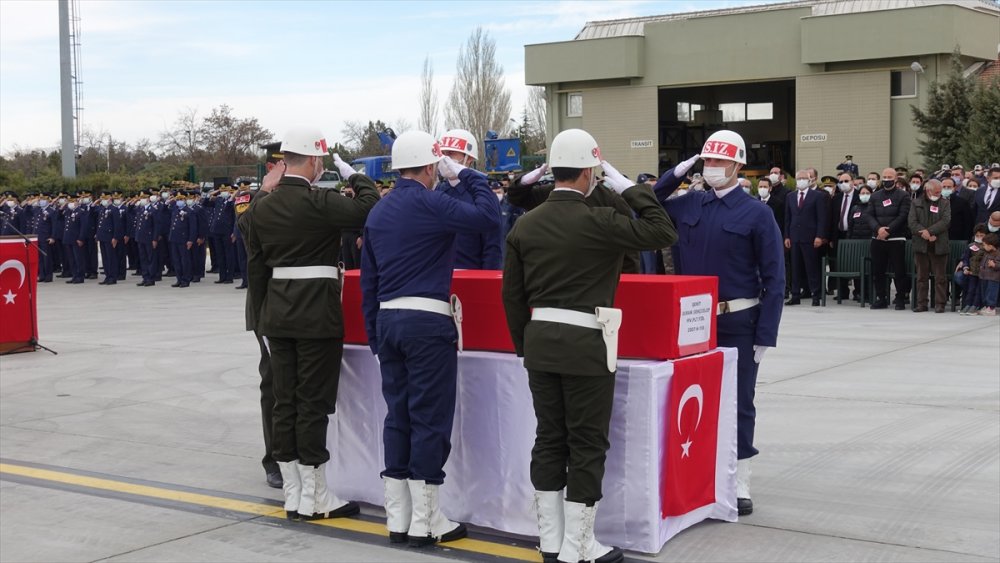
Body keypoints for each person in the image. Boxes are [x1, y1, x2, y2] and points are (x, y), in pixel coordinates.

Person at [502, 129, 676, 563]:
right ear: (588, 173)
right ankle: (579, 545)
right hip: (586, 344)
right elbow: (662, 232)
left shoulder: (526, 223)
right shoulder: (599, 221)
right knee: (586, 442)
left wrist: (525, 345)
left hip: (540, 343)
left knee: (549, 439)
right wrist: (629, 188)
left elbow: (512, 295)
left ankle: (551, 541)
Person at [360, 130, 499, 547]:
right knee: (429, 419)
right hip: (427, 323)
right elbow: (488, 216)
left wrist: (375, 336)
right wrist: (465, 175)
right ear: (429, 166)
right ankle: (427, 519)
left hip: (388, 322)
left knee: (397, 416)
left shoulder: (379, 211)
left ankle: (398, 518)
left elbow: (369, 283)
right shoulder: (431, 202)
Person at [246, 127, 377, 521]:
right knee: (313, 403)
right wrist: (354, 175)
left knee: (285, 401)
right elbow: (368, 207)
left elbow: (253, 253)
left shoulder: (262, 207)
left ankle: (294, 493)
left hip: (277, 313)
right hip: (316, 314)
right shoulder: (320, 201)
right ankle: (316, 495)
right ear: (316, 162)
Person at [651, 130, 784, 517]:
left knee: (740, 401)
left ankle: (740, 478)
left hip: (739, 320)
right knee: (692, 397)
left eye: (720, 161)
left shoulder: (757, 214)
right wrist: (678, 172)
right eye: (707, 161)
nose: (712, 168)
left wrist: (766, 333)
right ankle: (697, 470)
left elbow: (775, 277)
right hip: (693, 321)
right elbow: (649, 202)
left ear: (738, 166)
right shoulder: (691, 203)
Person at [239, 140, 284, 489]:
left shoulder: (306, 198)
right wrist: (264, 192)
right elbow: (246, 231)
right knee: (274, 383)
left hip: (303, 304)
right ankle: (274, 458)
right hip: (267, 304)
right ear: (271, 167)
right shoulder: (251, 201)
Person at [507, 163, 643, 274]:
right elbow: (516, 197)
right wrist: (525, 181)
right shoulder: (551, 193)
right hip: (556, 275)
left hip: (599, 279)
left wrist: (625, 282)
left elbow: (629, 251)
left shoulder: (609, 199)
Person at [437, 129, 503, 269]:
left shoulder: (482, 196)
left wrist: (487, 279)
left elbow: (492, 248)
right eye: (443, 153)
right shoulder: (436, 192)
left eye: (451, 153)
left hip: (471, 275)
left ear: (469, 159)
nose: (445, 159)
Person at [864, 167, 910, 310]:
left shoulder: (903, 196)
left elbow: (903, 216)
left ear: (896, 179)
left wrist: (888, 230)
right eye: (885, 177)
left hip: (896, 239)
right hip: (878, 238)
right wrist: (878, 229)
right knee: (878, 271)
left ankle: (900, 298)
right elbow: (868, 215)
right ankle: (881, 298)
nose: (887, 180)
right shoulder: (875, 196)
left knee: (899, 271)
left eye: (890, 177)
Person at [784, 169, 828, 306]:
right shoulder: (790, 196)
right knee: (795, 268)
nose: (801, 181)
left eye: (804, 178)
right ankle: (795, 295)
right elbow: (788, 218)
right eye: (799, 178)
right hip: (794, 237)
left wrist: (819, 236)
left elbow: (821, 218)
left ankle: (816, 295)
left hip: (810, 237)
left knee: (812, 267)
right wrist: (787, 236)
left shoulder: (817, 196)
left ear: (809, 180)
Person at [908, 179, 951, 313]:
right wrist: (924, 233)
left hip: (939, 243)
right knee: (922, 277)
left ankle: (940, 303)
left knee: (940, 277)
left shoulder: (945, 203)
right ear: (928, 190)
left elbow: (945, 221)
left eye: (940, 192)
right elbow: (912, 222)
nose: (939, 194)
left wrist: (930, 232)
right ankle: (922, 303)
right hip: (921, 244)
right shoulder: (916, 203)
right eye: (936, 192)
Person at [829, 172, 861, 300]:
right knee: (840, 263)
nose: (843, 184)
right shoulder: (836, 198)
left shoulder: (859, 196)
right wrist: (831, 238)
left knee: (856, 262)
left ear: (853, 182)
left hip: (854, 234)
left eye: (846, 181)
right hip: (839, 235)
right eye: (841, 182)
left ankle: (858, 291)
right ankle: (842, 291)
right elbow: (832, 219)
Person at [955, 224, 988, 315]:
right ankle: (968, 305)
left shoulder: (987, 247)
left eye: (982, 235)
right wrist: (965, 267)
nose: (979, 237)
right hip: (971, 272)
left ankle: (975, 306)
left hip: (982, 273)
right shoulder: (971, 246)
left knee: (978, 290)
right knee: (970, 289)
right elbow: (966, 258)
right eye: (977, 235)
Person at [167, 192, 196, 288]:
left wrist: (190, 240)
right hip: (174, 238)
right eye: (178, 200)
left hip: (184, 239)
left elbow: (193, 227)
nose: (179, 201)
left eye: (181, 200)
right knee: (176, 260)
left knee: (185, 260)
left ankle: (185, 279)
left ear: (185, 200)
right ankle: (179, 279)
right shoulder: (175, 210)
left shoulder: (189, 211)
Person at [94, 193, 124, 285]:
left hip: (110, 237)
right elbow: (100, 223)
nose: (103, 201)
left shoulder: (114, 209)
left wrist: (115, 237)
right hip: (102, 237)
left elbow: (117, 225)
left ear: (109, 199)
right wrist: (98, 235)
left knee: (111, 258)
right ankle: (107, 276)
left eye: (105, 199)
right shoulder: (103, 209)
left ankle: (112, 277)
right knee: (105, 258)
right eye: (102, 199)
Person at [133, 191, 158, 287]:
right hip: (141, 237)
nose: (142, 200)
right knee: (143, 258)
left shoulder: (153, 210)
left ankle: (151, 278)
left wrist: (155, 239)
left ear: (148, 199)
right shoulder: (140, 209)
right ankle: (145, 277)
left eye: (143, 198)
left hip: (149, 237)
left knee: (150, 258)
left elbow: (156, 226)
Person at [943, 176, 974, 243]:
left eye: (949, 187)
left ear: (954, 188)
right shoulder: (935, 202)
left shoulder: (962, 202)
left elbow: (968, 223)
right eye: (944, 187)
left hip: (956, 239)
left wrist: (966, 240)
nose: (946, 189)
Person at [975, 233, 1000, 316]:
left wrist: (995, 265)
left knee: (991, 293)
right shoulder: (986, 253)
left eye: (985, 245)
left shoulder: (998, 253)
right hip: (984, 276)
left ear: (991, 246)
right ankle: (986, 306)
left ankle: (991, 308)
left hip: (993, 278)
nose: (983, 246)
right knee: (984, 292)